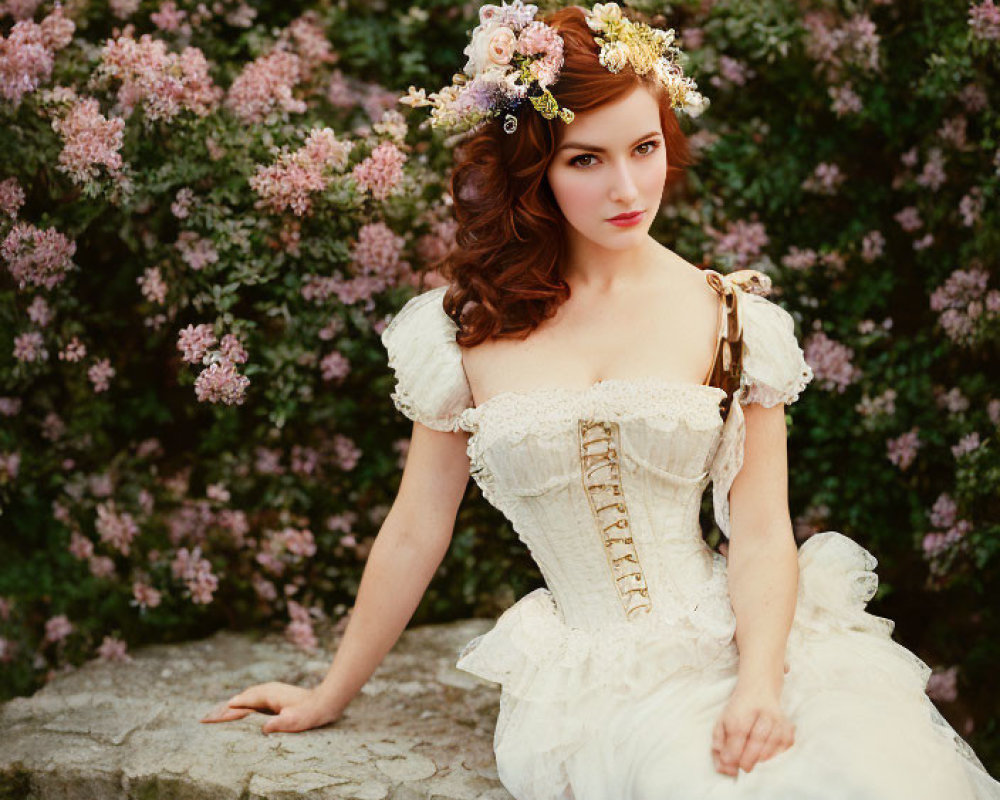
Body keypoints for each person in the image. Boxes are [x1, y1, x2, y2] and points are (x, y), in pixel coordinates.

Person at [201, 2, 1000, 798]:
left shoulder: (732, 319)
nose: (628, 187)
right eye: (587, 160)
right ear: (534, 172)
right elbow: (416, 527)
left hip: (747, 648)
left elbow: (760, 534)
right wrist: (328, 693)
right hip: (585, 685)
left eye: (645, 148)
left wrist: (758, 687)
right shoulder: (467, 328)